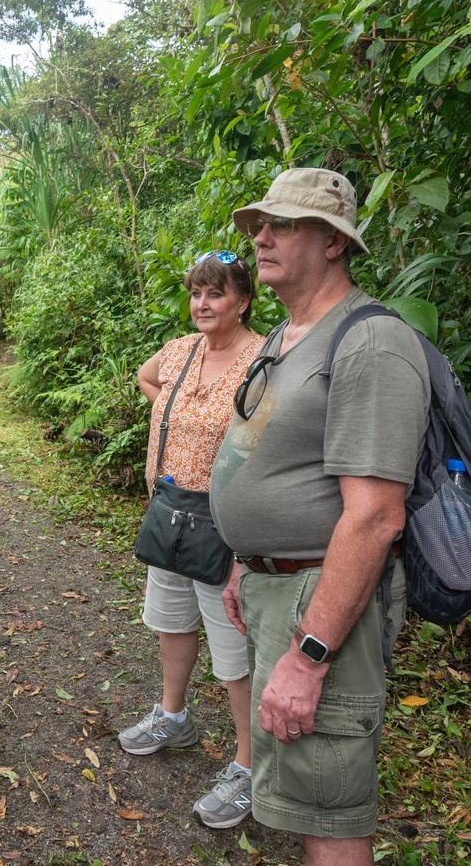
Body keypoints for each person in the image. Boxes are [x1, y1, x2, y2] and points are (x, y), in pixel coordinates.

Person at [211, 167, 430, 865]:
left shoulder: (369, 342)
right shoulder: (288, 335)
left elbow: (374, 518)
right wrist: (245, 565)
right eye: (258, 226)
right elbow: (264, 457)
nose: (261, 237)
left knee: (328, 808)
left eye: (285, 224)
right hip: (274, 584)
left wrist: (310, 657)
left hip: (319, 600)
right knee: (300, 790)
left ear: (335, 241)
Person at [118, 251, 266, 828]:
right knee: (170, 618)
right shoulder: (182, 350)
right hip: (170, 511)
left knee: (232, 649)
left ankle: (250, 766)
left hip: (225, 522)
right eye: (196, 294)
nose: (202, 304)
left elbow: (269, 440)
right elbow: (146, 376)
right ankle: (172, 716)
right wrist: (178, 417)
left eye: (215, 294)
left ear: (243, 300)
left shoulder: (261, 358)